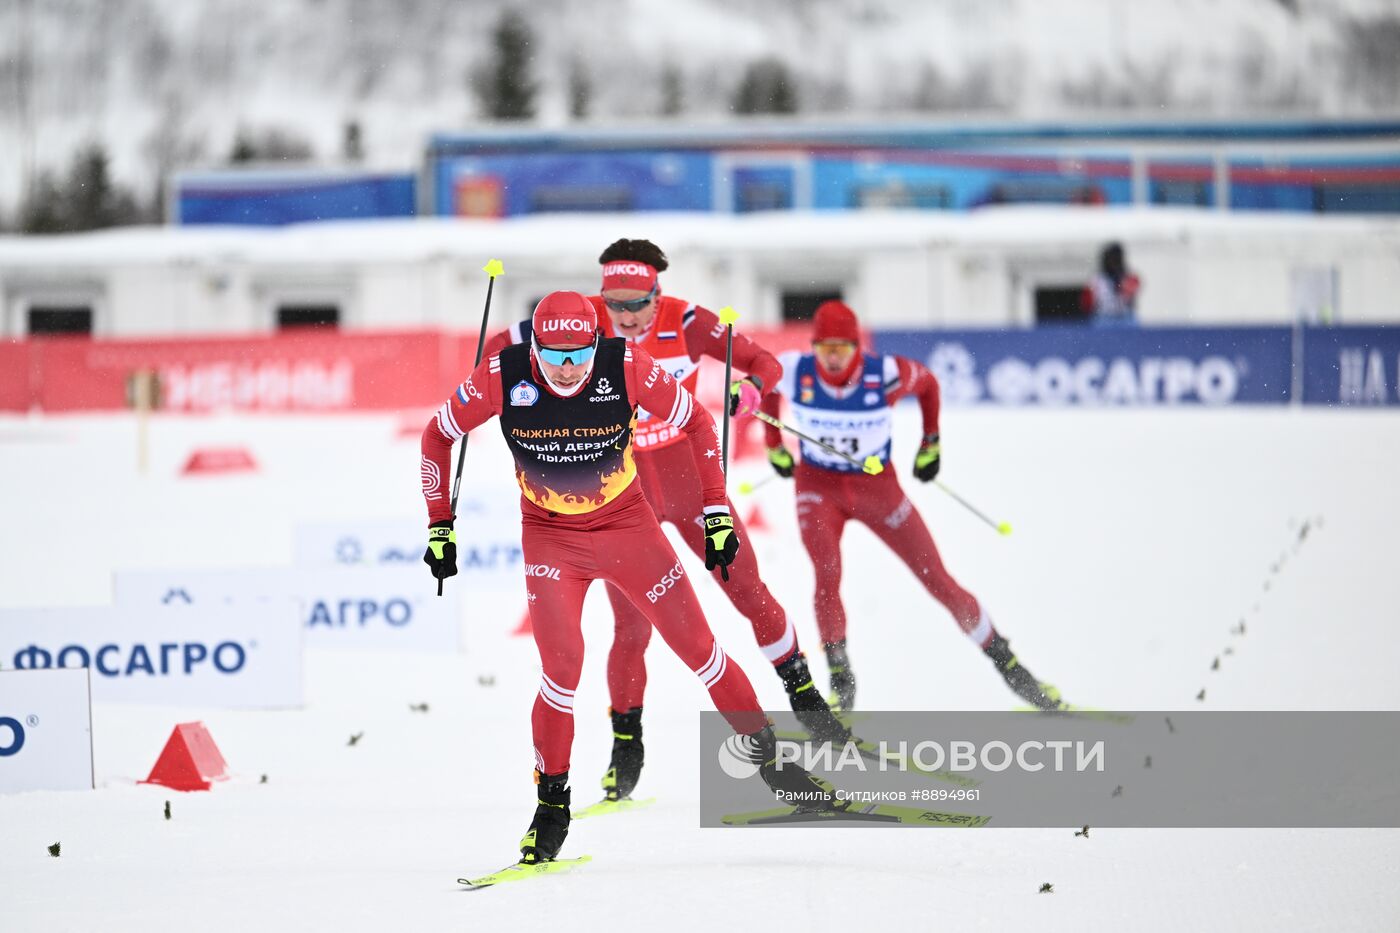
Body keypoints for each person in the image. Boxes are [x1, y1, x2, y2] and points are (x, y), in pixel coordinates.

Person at [420, 291, 827, 865]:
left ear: (597, 343)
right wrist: (441, 524)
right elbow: (437, 435)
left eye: (579, 353)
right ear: (532, 344)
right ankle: (551, 809)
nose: (566, 368)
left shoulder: (627, 365)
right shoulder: (500, 375)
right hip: (551, 540)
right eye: (553, 354)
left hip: (629, 531)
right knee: (560, 671)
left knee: (700, 651)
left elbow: (698, 421)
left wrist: (714, 508)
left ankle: (773, 765)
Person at [480, 239, 849, 805]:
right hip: (626, 495)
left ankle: (806, 699)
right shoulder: (580, 325)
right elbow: (507, 344)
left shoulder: (690, 323)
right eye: (613, 304)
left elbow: (766, 365)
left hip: (686, 480)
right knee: (632, 629)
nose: (623, 318)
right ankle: (627, 745)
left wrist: (750, 390)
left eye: (637, 305)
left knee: (747, 590)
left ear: (659, 294)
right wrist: (490, 358)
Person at [760, 300, 1065, 712]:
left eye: (842, 349)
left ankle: (1013, 670)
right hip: (818, 488)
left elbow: (929, 385)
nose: (833, 358)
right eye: (825, 348)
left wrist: (930, 443)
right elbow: (762, 386)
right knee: (827, 574)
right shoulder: (796, 369)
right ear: (814, 346)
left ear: (856, 347)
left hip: (877, 489)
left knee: (937, 579)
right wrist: (774, 446)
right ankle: (841, 685)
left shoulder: (883, 374)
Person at [1081, 241, 1141, 325]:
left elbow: (1130, 294)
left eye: (1116, 259)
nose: (1113, 262)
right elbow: (1086, 303)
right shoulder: (1096, 279)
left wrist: (1119, 279)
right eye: (1111, 259)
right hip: (1103, 317)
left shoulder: (1130, 277)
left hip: (1125, 317)